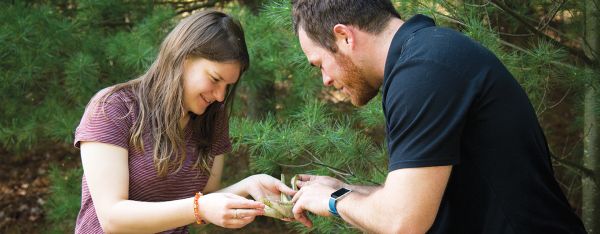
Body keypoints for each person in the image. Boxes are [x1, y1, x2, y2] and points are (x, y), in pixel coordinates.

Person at [289, 1, 587, 233]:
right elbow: (422, 200)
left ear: (344, 36)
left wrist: (332, 201)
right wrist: (341, 190)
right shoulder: (426, 56)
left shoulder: (423, 71)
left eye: (319, 64)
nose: (325, 79)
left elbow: (403, 222)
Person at [74, 10, 295, 233]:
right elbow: (113, 219)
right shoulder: (114, 108)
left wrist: (248, 186)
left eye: (227, 86)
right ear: (183, 58)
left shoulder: (213, 118)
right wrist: (199, 207)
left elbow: (206, 201)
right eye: (215, 79)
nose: (220, 96)